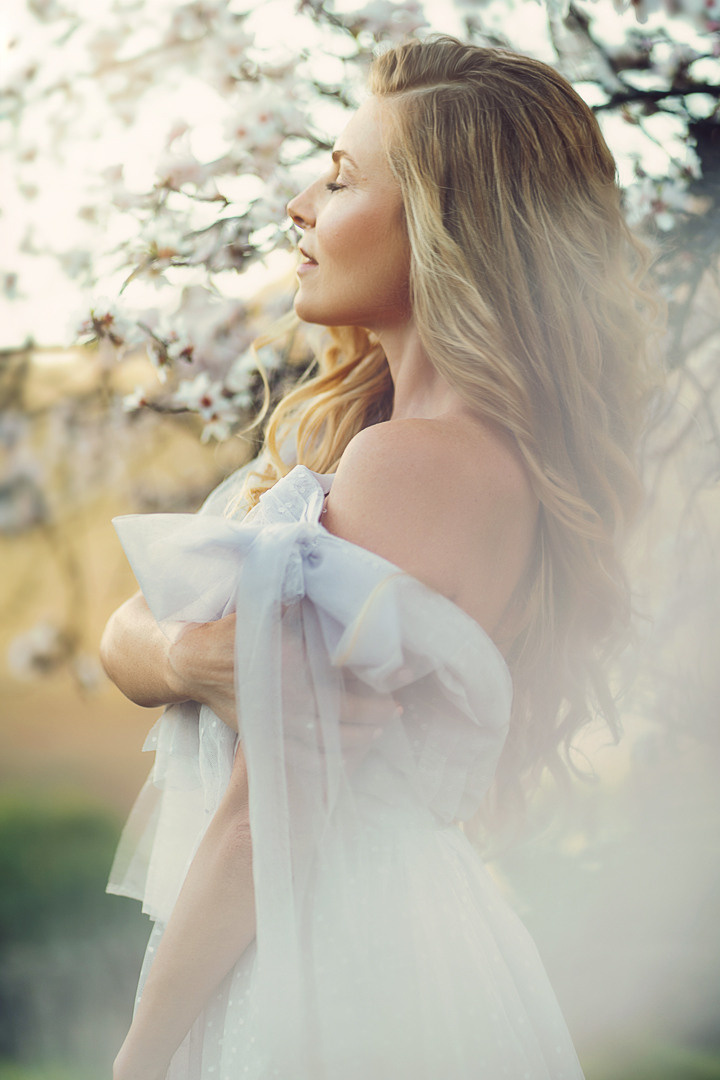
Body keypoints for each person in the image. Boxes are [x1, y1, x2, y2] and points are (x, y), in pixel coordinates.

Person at [101, 35, 655, 1080]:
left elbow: (262, 823)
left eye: (341, 180)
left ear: (447, 229)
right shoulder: (401, 444)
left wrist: (139, 1057)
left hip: (327, 951)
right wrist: (186, 657)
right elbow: (130, 631)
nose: (298, 207)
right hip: (371, 934)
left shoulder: (413, 467)